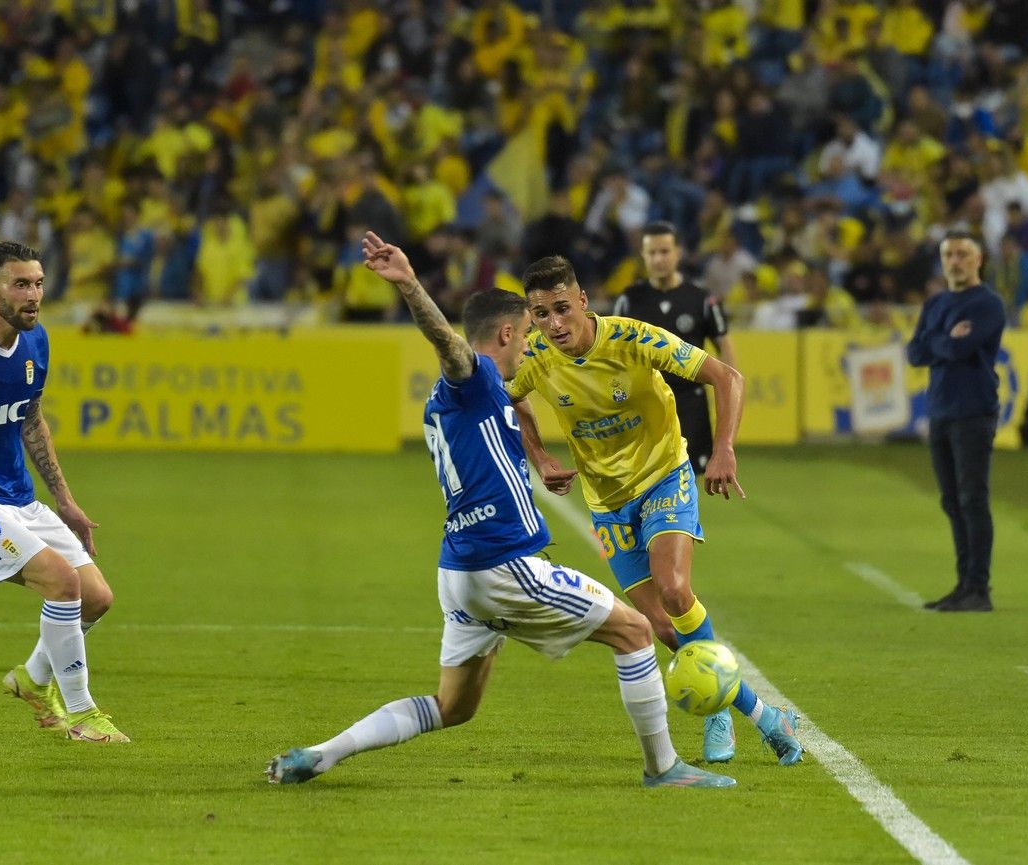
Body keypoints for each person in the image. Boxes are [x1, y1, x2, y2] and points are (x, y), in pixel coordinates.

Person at [265, 232, 735, 788]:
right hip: (502, 563)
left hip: (457, 573)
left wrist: (536, 457)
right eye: (529, 331)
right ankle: (665, 769)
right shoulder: (477, 378)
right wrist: (411, 285)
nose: (533, 345)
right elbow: (452, 348)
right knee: (635, 631)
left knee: (452, 707)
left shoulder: (441, 407)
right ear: (509, 332)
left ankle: (320, 754)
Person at [507, 255, 803, 767]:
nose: (553, 324)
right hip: (606, 501)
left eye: (561, 309)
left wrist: (726, 448)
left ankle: (719, 716)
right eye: (540, 314)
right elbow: (510, 399)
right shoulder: (533, 354)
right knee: (662, 630)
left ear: (582, 301)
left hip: (664, 473)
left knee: (674, 589)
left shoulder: (635, 338)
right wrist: (539, 455)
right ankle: (764, 714)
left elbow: (728, 376)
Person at [0, 241, 128, 742]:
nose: (34, 294)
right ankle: (81, 715)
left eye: (38, 283)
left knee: (97, 598)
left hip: (16, 495)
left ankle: (33, 679)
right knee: (62, 583)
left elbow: (31, 420)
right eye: (21, 284)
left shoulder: (37, 343)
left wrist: (65, 501)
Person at [906, 231, 1007, 612]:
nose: (955, 260)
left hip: (974, 410)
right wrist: (944, 339)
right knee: (952, 499)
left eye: (963, 253)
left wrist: (941, 341)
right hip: (941, 411)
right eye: (949, 254)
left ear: (978, 259)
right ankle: (964, 583)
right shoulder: (937, 303)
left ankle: (979, 587)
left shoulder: (987, 304)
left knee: (972, 498)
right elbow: (915, 352)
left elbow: (959, 347)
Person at [613, 221, 738, 473]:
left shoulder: (701, 298)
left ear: (678, 253)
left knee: (691, 479)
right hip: (645, 402)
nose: (658, 259)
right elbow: (615, 352)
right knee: (644, 476)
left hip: (690, 403)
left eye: (664, 251)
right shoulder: (629, 299)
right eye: (652, 253)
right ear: (643, 256)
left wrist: (727, 387)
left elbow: (725, 345)